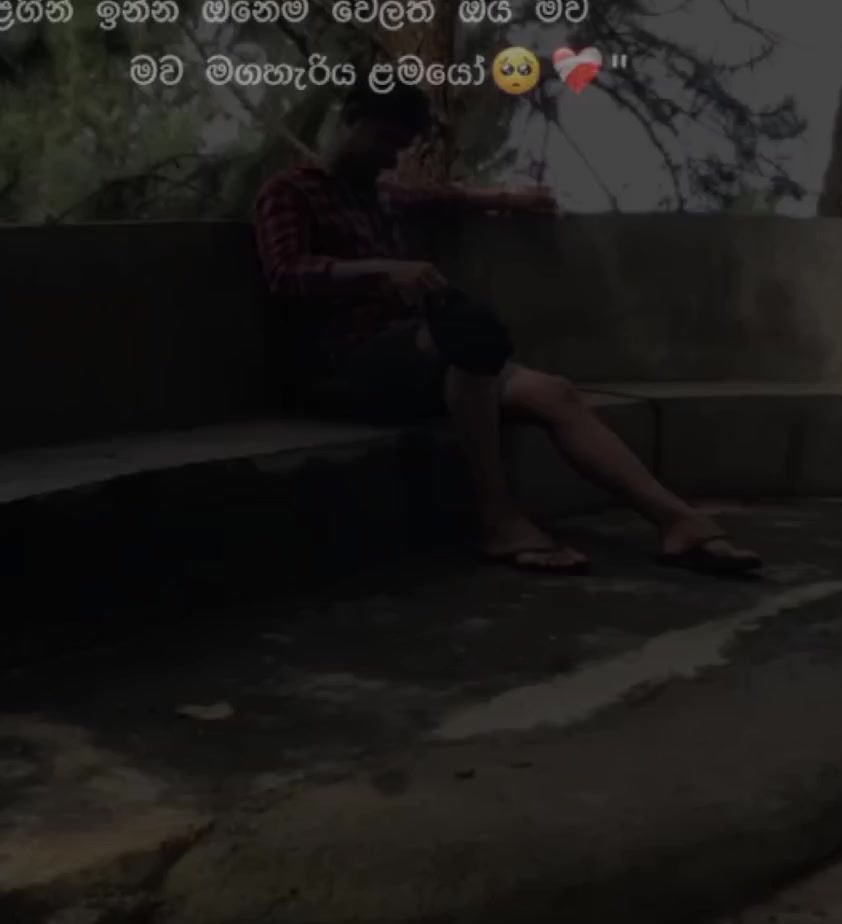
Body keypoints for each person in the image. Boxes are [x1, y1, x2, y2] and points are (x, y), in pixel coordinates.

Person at [253, 79, 761, 577]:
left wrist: (510, 200)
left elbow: (440, 198)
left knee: (553, 392)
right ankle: (500, 522)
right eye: (385, 141)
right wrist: (385, 269)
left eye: (400, 148)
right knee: (468, 337)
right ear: (349, 120)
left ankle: (677, 521)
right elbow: (285, 272)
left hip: (409, 357)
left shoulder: (373, 196)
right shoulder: (288, 191)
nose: (390, 158)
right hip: (340, 364)